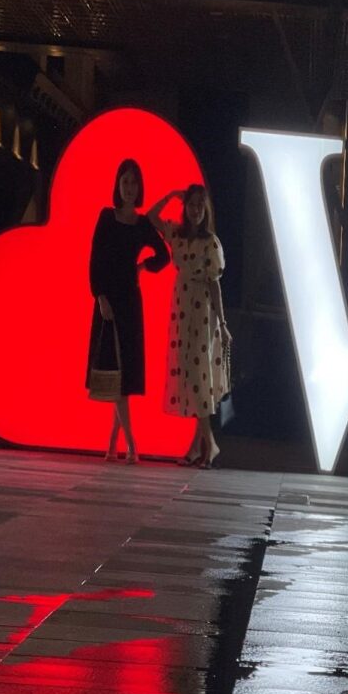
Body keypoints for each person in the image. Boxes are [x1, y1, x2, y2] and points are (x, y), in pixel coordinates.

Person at [87, 158, 170, 463]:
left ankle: (114, 442)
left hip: (131, 303)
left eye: (134, 182)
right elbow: (95, 261)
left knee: (123, 375)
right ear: (118, 185)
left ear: (139, 186)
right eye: (125, 182)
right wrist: (100, 297)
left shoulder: (143, 223)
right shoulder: (106, 217)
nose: (130, 188)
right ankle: (131, 443)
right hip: (108, 301)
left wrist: (143, 266)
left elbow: (163, 255)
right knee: (115, 372)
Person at [148, 183, 231, 468]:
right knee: (190, 376)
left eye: (199, 205)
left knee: (198, 377)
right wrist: (172, 195)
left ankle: (210, 444)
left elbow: (215, 285)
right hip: (181, 309)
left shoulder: (211, 242)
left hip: (202, 312)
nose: (195, 210)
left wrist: (223, 323)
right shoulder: (177, 234)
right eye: (192, 204)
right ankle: (197, 447)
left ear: (205, 210)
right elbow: (152, 216)